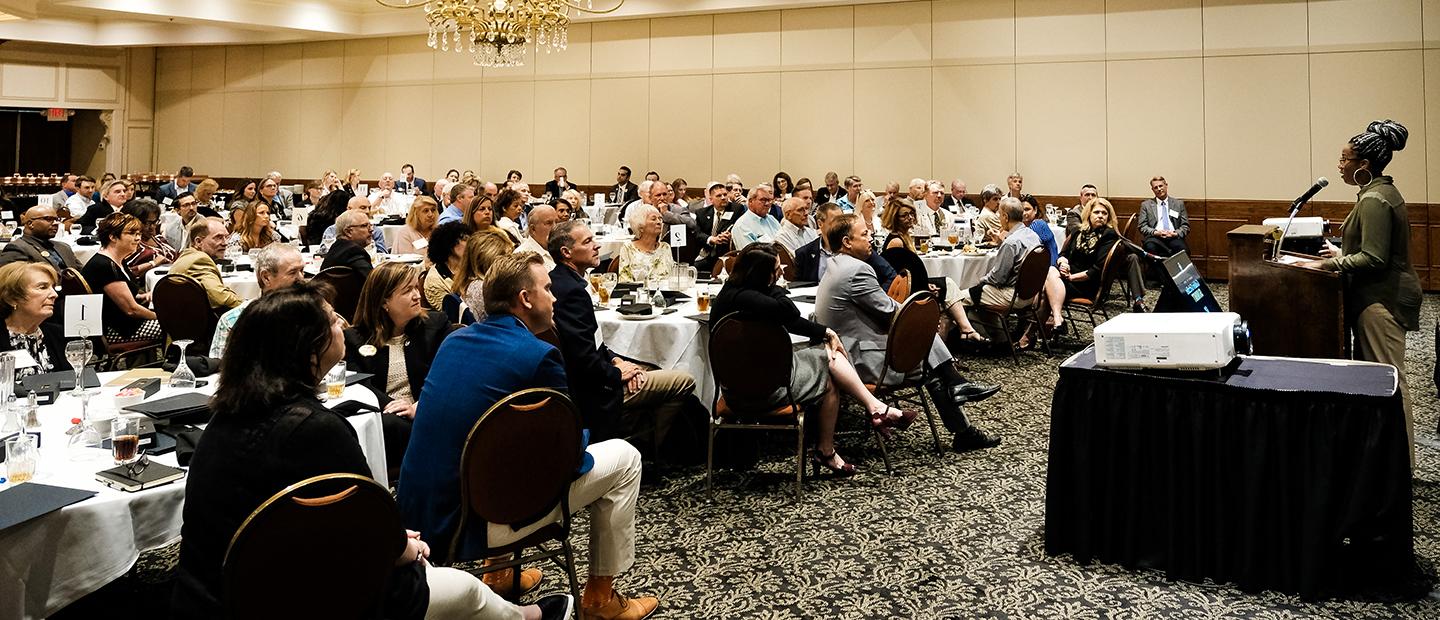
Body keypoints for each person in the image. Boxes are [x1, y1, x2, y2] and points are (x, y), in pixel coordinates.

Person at [172, 282, 571, 620]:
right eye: (331, 321)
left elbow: (327, 520)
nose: (342, 324)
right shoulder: (315, 428)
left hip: (210, 591)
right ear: (309, 348)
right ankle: (525, 616)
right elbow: (365, 529)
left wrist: (391, 535)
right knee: (463, 587)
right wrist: (403, 545)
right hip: (294, 597)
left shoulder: (226, 418)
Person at [398, 253, 656, 619]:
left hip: (417, 515)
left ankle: (500, 573)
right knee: (625, 457)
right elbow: (569, 459)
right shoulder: (538, 355)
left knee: (507, 455)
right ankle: (601, 600)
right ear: (526, 299)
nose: (554, 298)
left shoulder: (455, 341)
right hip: (477, 521)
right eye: (548, 289)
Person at [712, 244, 917, 473]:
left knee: (829, 368)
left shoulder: (730, 294)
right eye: (777, 269)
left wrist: (826, 332)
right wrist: (778, 288)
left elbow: (789, 320)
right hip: (766, 390)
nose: (782, 272)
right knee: (830, 359)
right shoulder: (749, 298)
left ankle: (840, 440)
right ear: (761, 275)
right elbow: (789, 311)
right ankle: (858, 423)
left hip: (733, 388)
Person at [815, 214, 1001, 453]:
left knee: (923, 344)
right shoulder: (857, 271)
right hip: (859, 361)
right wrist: (920, 320)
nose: (871, 237)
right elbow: (893, 312)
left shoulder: (836, 264)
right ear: (847, 242)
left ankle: (958, 392)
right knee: (928, 361)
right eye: (864, 234)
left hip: (848, 350)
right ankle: (961, 411)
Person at [1300, 120, 1421, 463]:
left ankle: (1401, 461)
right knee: (1379, 377)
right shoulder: (1377, 192)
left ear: (1363, 165)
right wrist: (1342, 254)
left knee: (1388, 379)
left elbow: (1375, 257)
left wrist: (1329, 265)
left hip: (1381, 301)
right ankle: (1385, 457)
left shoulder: (1375, 199)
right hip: (1376, 296)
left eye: (1344, 159)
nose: (1340, 166)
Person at [548, 220, 701, 446]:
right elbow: (582, 359)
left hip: (601, 370)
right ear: (566, 252)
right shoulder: (571, 292)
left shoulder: (566, 281)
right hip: (595, 389)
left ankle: (637, 431)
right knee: (685, 380)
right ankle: (649, 448)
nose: (597, 245)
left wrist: (617, 359)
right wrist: (617, 373)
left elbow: (591, 341)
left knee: (652, 366)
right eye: (588, 241)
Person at [345, 262, 453, 468]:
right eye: (407, 291)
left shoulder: (436, 326)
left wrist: (418, 407)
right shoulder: (354, 339)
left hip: (428, 413)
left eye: (415, 287)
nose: (417, 296)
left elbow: (450, 374)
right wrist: (396, 409)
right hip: (384, 421)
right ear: (384, 301)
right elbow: (360, 385)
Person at [880, 198, 988, 344]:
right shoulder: (896, 241)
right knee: (948, 288)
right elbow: (898, 275)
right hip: (906, 293)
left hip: (916, 286)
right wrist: (925, 285)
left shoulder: (904, 237)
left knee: (947, 291)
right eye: (904, 215)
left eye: (912, 214)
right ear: (894, 218)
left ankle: (960, 336)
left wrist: (926, 283)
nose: (910, 218)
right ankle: (965, 331)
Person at [209, 243, 306, 358]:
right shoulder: (233, 321)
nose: (301, 278)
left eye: (302, 270)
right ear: (266, 277)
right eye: (293, 272)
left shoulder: (313, 314)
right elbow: (221, 370)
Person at [81, 213, 162, 344]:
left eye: (139, 234)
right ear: (112, 237)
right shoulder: (105, 265)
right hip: (116, 330)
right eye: (131, 233)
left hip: (125, 324)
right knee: (177, 327)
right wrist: (160, 318)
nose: (138, 238)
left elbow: (119, 298)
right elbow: (131, 310)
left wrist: (143, 296)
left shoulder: (117, 260)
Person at [1058, 198, 1144, 311]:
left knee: (1047, 286)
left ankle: (1052, 321)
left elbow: (1096, 270)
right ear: (1088, 214)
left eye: (1104, 213)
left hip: (1085, 282)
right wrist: (1063, 263)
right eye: (1096, 212)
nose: (1100, 216)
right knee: (1049, 277)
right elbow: (1063, 254)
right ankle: (1055, 321)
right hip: (1070, 275)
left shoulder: (1108, 234)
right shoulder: (1078, 231)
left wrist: (1071, 277)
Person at [793, 202, 899, 288]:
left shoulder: (857, 248)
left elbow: (891, 276)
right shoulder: (804, 253)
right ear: (820, 224)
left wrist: (880, 293)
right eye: (835, 222)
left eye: (842, 221)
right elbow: (797, 288)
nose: (840, 226)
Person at [970, 198, 1041, 315]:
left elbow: (997, 279)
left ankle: (965, 331)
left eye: (999, 215)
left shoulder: (1011, 243)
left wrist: (977, 281)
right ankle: (994, 330)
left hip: (1013, 296)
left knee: (958, 298)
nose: (998, 218)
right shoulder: (1033, 235)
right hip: (1031, 294)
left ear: (1006, 217)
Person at [0, 262, 65, 379]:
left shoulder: (59, 335)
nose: (54, 294)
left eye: (53, 287)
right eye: (43, 287)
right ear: (12, 299)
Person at [169, 218, 244, 313]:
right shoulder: (200, 260)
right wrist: (250, 306)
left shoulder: (188, 255)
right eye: (219, 237)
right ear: (198, 242)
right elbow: (220, 297)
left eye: (226, 237)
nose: (225, 243)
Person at [452, 232, 514, 325]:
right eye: (506, 258)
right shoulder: (482, 289)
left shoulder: (469, 282)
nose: (510, 262)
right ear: (489, 260)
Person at [0, 206, 81, 271]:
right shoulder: (17, 248)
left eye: (56, 219)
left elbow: (85, 275)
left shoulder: (64, 247)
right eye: (48, 219)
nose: (56, 223)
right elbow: (11, 282)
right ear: (30, 223)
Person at [693, 182, 744, 274]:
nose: (723, 198)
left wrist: (730, 234)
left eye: (725, 194)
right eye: (719, 196)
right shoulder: (701, 213)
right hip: (707, 253)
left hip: (726, 253)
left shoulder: (737, 209)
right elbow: (698, 233)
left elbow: (739, 227)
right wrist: (711, 239)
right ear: (711, 199)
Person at [615, 205, 674, 284]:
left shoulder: (665, 247)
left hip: (665, 295)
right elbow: (624, 282)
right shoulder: (628, 248)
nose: (659, 222)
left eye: (660, 219)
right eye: (654, 219)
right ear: (641, 227)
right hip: (637, 294)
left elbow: (672, 278)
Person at [120, 199, 178, 279]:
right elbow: (123, 274)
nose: (153, 227)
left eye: (154, 222)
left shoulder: (158, 238)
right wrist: (152, 263)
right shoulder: (131, 245)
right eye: (147, 223)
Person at [423, 222, 471, 311]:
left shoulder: (471, 266)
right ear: (450, 245)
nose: (470, 243)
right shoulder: (434, 281)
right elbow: (453, 314)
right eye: (465, 239)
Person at [1137, 176, 1188, 257]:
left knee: (1183, 249)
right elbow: (1142, 226)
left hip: (1173, 236)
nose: (1159, 189)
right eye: (1156, 187)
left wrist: (1175, 233)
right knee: (1150, 248)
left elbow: (1185, 226)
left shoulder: (1178, 204)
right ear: (1153, 190)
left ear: (1166, 185)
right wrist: (1156, 232)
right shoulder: (1146, 205)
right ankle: (1159, 270)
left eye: (1161, 186)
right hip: (1154, 237)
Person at [322, 196, 388, 253]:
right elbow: (323, 253)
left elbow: (382, 255)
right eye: (363, 208)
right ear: (349, 209)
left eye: (369, 208)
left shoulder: (375, 231)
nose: (367, 211)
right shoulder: (332, 230)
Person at [320, 210, 375, 280]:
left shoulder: (337, 247)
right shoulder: (353, 251)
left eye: (370, 225)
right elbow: (373, 281)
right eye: (364, 226)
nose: (371, 229)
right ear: (348, 232)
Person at [728, 184, 779, 250]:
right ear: (750, 201)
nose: (767, 204)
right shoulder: (742, 225)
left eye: (769, 200)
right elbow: (751, 256)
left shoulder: (772, 219)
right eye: (763, 200)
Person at [516, 204, 558, 270]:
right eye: (548, 223)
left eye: (557, 222)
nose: (555, 227)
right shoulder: (522, 257)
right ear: (533, 229)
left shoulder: (559, 249)